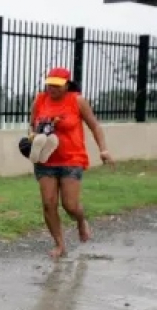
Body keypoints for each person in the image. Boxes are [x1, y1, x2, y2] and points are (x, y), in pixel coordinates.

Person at [29, 67, 114, 259]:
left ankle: (81, 221)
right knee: (48, 204)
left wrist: (103, 150)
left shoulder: (77, 101)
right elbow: (32, 124)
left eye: (57, 86)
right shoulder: (40, 100)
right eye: (49, 84)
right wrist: (33, 138)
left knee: (70, 205)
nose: (52, 88)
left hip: (71, 159)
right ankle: (59, 244)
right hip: (46, 159)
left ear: (67, 85)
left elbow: (95, 125)